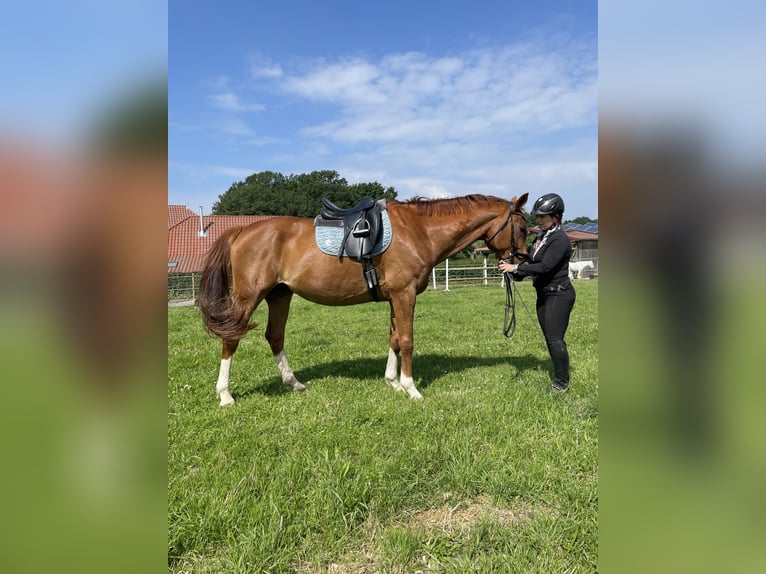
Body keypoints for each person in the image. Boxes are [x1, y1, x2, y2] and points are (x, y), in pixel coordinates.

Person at [499, 193, 576, 392]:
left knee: (555, 338)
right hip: (544, 294)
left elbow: (545, 267)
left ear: (556, 216)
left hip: (559, 295)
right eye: (538, 216)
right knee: (549, 336)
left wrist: (515, 269)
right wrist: (512, 267)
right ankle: (560, 375)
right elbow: (532, 262)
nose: (538, 220)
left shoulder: (559, 239)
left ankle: (561, 383)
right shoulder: (542, 237)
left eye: (543, 216)